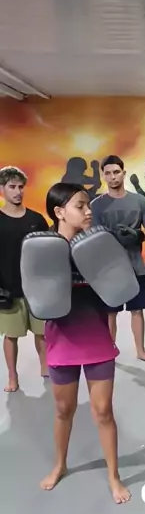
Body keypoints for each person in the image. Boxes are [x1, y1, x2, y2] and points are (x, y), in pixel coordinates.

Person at [39, 182, 130, 503]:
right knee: (63, 409)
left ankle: (114, 476)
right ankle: (60, 465)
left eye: (89, 204)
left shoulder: (97, 245)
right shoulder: (44, 249)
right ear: (60, 212)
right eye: (80, 206)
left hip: (96, 336)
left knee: (103, 410)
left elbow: (116, 291)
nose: (88, 211)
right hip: (61, 337)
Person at [91, 155, 145, 363]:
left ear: (123, 173)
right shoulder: (96, 205)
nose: (113, 177)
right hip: (109, 269)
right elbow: (93, 237)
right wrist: (111, 238)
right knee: (110, 312)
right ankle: (109, 351)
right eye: (108, 173)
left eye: (116, 172)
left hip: (135, 266)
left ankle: (141, 351)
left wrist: (138, 235)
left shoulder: (139, 200)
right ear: (103, 176)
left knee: (137, 310)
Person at [0, 166, 49, 392]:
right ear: (2, 189)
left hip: (36, 289)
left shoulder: (37, 220)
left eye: (21, 187)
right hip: (8, 290)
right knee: (11, 336)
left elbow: (47, 252)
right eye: (12, 187)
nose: (18, 191)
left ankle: (45, 367)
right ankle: (12, 377)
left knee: (43, 333)